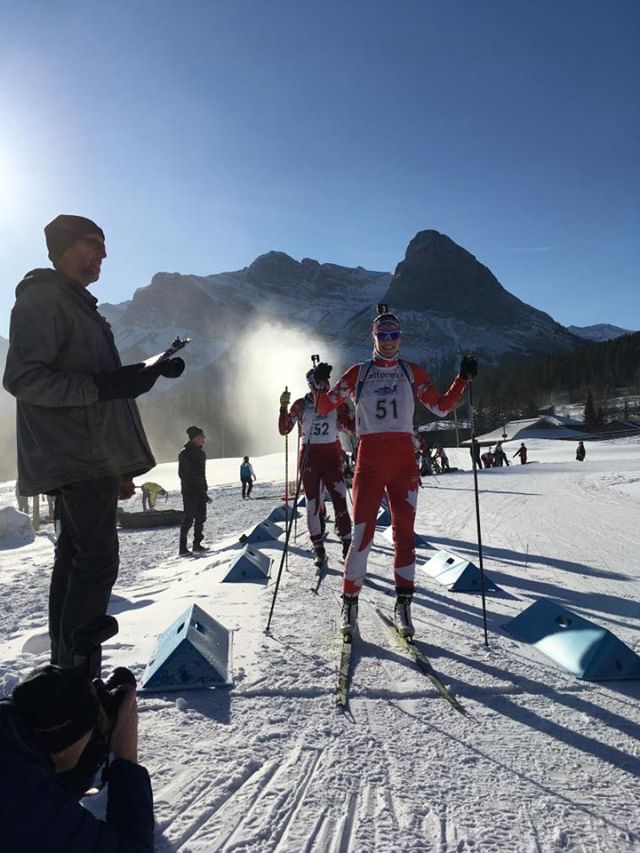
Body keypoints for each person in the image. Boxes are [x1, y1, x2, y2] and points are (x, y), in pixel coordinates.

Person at [2, 214, 185, 675]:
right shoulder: (44, 299)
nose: (103, 254)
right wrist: (105, 387)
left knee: (76, 556)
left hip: (88, 457)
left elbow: (97, 387)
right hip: (72, 456)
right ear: (64, 247)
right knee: (96, 559)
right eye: (93, 244)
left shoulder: (79, 306)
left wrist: (134, 381)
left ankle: (68, 670)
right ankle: (79, 678)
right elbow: (23, 379)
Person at [312, 309, 476, 637]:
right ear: (373, 338)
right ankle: (350, 601)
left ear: (400, 337)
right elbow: (323, 407)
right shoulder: (359, 373)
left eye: (394, 336)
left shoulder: (410, 371)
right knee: (362, 537)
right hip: (370, 460)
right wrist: (319, 383)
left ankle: (403, 604)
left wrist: (462, 379)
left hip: (403, 462)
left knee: (405, 537)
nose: (388, 342)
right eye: (382, 336)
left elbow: (441, 407)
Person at [0, 664, 153, 852]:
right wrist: (126, 758)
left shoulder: (11, 730)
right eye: (92, 729)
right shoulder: (24, 803)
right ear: (62, 748)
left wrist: (88, 756)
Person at [279, 369, 354, 563]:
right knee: (312, 503)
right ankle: (318, 546)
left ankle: (347, 542)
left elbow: (351, 428)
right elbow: (284, 429)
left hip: (331, 457)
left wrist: (354, 409)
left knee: (340, 499)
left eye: (327, 381)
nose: (326, 385)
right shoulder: (301, 404)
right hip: (309, 458)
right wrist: (283, 408)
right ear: (312, 384)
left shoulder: (334, 403)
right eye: (322, 382)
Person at [178, 426, 210, 555]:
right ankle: (182, 548)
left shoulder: (201, 453)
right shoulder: (184, 454)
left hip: (201, 491)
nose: (204, 439)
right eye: (202, 436)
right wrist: (195, 489)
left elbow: (202, 474)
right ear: (195, 438)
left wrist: (204, 489)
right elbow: (184, 474)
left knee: (201, 518)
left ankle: (197, 544)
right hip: (190, 492)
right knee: (188, 519)